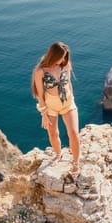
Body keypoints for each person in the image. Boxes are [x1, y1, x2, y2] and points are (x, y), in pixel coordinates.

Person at [31, 41, 80, 177]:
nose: (63, 60)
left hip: (68, 104)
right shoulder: (40, 71)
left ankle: (76, 164)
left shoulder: (65, 65)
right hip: (50, 106)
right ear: (53, 55)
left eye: (65, 56)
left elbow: (69, 83)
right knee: (53, 134)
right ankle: (58, 154)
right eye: (61, 56)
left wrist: (72, 98)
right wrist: (43, 112)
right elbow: (40, 94)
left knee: (74, 134)